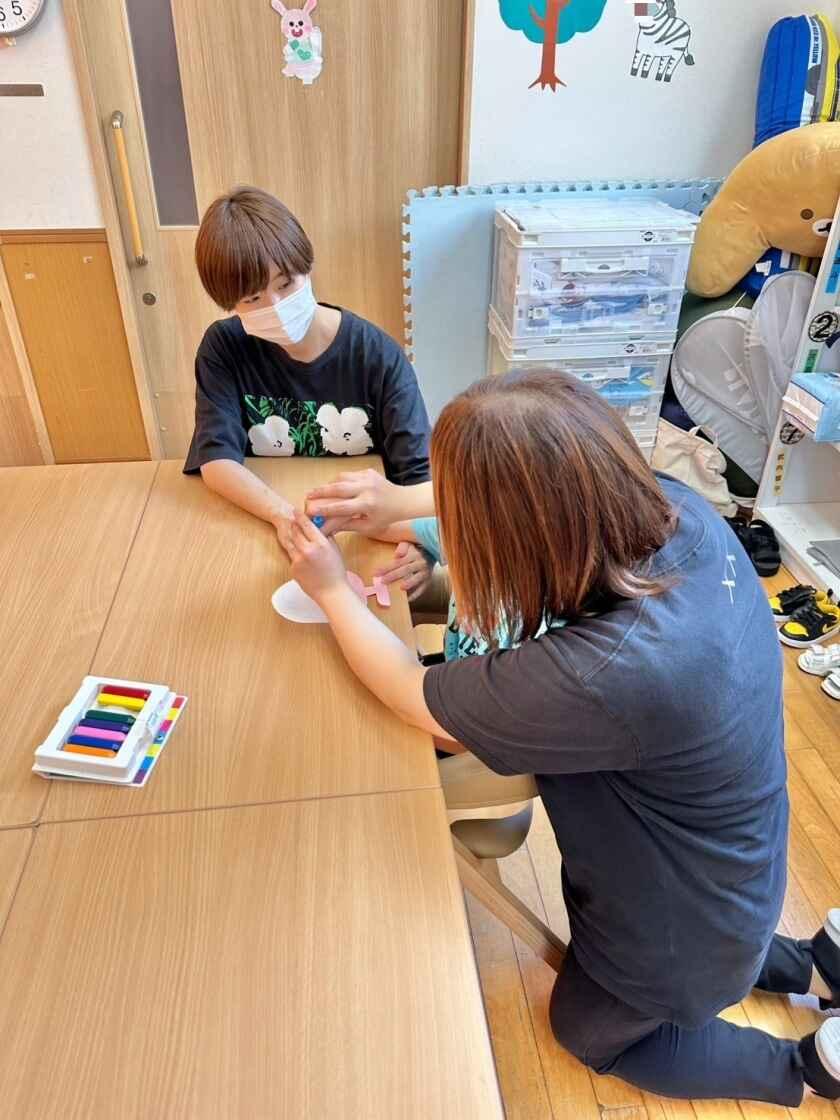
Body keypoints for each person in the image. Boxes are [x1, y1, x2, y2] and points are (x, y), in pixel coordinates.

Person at [281, 368, 840, 1107]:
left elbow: (411, 693)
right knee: (715, 942)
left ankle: (808, 1068)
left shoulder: (606, 672)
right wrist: (408, 520)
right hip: (735, 873)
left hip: (680, 931)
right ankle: (814, 964)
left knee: (589, 1030)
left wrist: (329, 590)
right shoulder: (678, 512)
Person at [183, 186, 431, 543]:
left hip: (363, 533)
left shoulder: (377, 356)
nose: (276, 305)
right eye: (253, 298)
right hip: (262, 524)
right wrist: (283, 517)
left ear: (306, 267)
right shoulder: (223, 348)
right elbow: (216, 459)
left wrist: (421, 545)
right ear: (228, 303)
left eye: (285, 284)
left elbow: (419, 481)